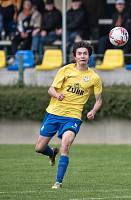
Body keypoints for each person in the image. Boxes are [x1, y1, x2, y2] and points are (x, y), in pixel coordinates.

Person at [34, 41, 103, 189]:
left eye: (85, 53)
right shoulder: (65, 70)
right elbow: (51, 89)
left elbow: (99, 100)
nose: (82, 56)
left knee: (65, 144)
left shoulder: (94, 77)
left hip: (73, 117)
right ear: (75, 56)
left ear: (89, 56)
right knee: (39, 148)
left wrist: (93, 111)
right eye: (79, 53)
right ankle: (51, 152)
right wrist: (57, 95)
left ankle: (58, 182)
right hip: (53, 113)